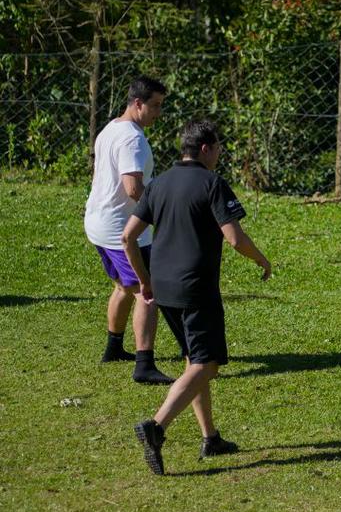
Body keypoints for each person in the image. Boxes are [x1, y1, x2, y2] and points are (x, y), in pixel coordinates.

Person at [122, 120, 271, 476]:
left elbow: (128, 237)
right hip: (196, 288)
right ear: (204, 148)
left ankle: (210, 437)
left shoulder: (158, 184)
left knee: (194, 360)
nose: (220, 152)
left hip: (164, 288)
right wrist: (262, 259)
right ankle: (156, 427)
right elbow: (234, 238)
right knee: (208, 364)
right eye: (218, 146)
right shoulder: (212, 183)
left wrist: (145, 281)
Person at [84, 74, 173, 384]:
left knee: (124, 287)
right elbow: (133, 187)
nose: (159, 113)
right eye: (155, 105)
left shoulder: (112, 128)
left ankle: (113, 349)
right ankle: (144, 365)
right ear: (137, 103)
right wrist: (163, 210)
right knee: (148, 292)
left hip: (98, 222)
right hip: (120, 229)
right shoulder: (132, 138)